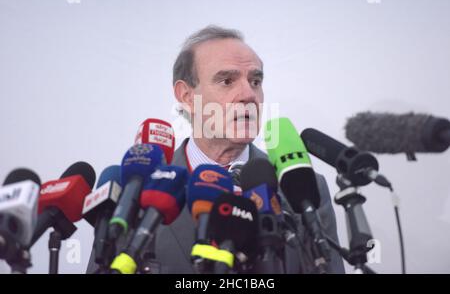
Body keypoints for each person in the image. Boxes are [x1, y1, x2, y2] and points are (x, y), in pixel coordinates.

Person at [87, 25, 345, 274]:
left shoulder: (304, 190)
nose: (248, 95)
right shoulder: (135, 191)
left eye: (255, 81)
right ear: (187, 96)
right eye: (227, 80)